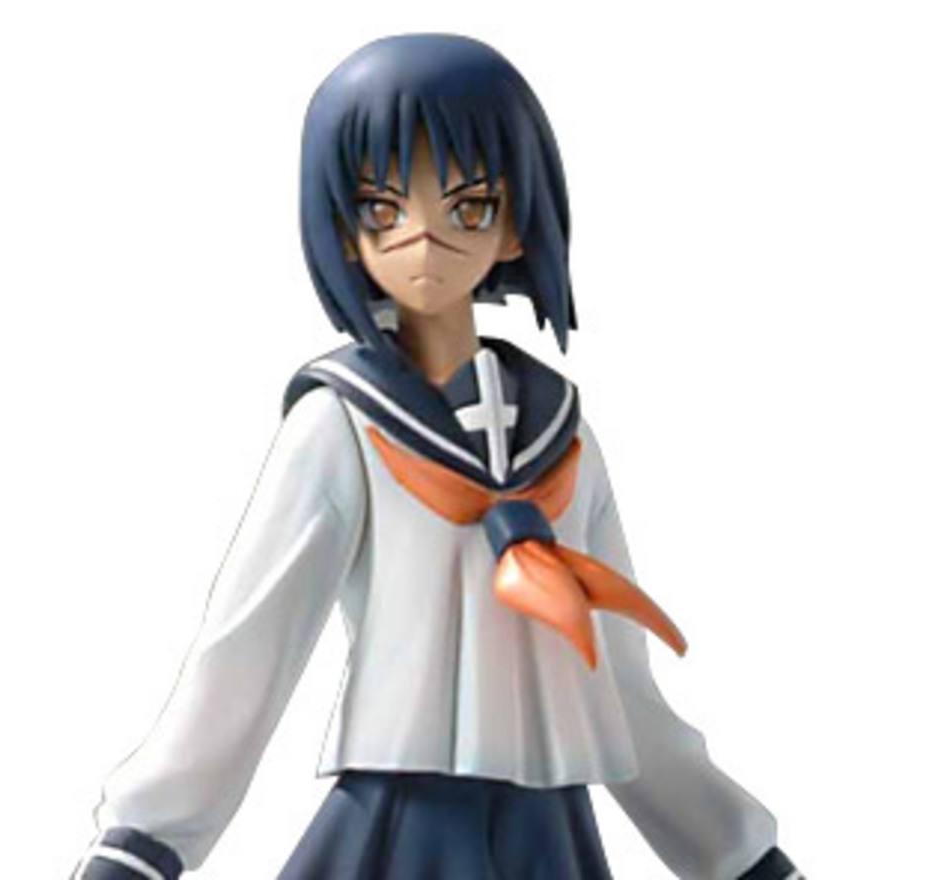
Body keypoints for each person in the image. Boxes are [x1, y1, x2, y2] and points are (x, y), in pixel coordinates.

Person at [73, 34, 803, 880]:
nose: (423, 239)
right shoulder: (341, 425)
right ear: (345, 230)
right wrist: (142, 842)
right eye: (383, 209)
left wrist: (736, 852)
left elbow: (616, 683)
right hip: (399, 826)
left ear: (515, 225)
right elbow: (246, 651)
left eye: (469, 207)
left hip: (548, 831)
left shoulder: (561, 436)